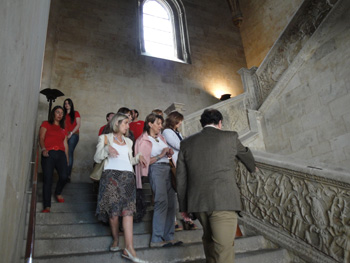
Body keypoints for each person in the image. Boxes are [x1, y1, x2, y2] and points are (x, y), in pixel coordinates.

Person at [176, 109, 257, 263]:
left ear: (202, 124)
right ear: (220, 123)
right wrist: (252, 167)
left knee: (210, 243)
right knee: (223, 250)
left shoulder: (186, 143)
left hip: (199, 203)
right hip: (223, 200)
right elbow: (245, 153)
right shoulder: (230, 137)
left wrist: (183, 206)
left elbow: (181, 178)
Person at [94, 113, 147, 263]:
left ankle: (130, 248)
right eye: (125, 123)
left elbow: (129, 159)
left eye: (128, 123)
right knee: (114, 213)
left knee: (128, 212)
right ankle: (116, 239)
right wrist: (106, 150)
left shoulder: (129, 141)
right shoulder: (105, 139)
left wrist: (138, 158)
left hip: (128, 178)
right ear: (116, 123)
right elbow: (97, 157)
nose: (128, 126)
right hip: (111, 177)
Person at [135, 113, 182, 248]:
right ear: (150, 124)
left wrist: (168, 154)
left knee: (172, 204)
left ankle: (169, 237)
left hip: (168, 169)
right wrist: (160, 155)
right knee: (161, 202)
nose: (160, 126)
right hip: (155, 170)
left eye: (161, 123)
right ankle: (156, 239)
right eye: (158, 123)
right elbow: (144, 162)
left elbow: (166, 155)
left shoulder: (161, 138)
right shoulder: (142, 140)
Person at [162, 111, 197, 231]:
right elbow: (179, 145)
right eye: (179, 121)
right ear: (174, 120)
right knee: (175, 193)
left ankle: (187, 219)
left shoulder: (177, 132)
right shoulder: (167, 132)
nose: (181, 123)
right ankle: (174, 220)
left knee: (184, 193)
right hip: (174, 165)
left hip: (182, 164)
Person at [39, 106, 69, 213]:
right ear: (53, 113)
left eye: (61, 113)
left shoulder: (63, 129)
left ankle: (58, 192)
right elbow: (41, 138)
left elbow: (65, 144)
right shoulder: (46, 124)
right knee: (48, 179)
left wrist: (67, 158)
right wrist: (43, 149)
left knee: (65, 176)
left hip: (60, 154)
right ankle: (47, 206)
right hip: (49, 153)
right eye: (57, 112)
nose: (60, 114)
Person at [63, 98, 81, 182]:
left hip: (73, 134)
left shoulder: (75, 113)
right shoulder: (62, 114)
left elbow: (78, 125)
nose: (67, 105)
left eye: (68, 103)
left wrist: (71, 133)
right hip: (64, 135)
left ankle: (67, 175)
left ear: (71, 104)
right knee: (64, 153)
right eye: (65, 103)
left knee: (69, 152)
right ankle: (63, 174)